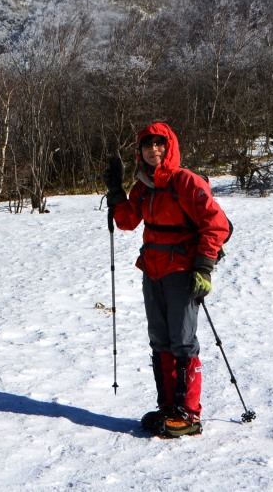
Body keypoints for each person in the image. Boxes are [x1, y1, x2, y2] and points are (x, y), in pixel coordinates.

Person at [103, 122, 231, 437]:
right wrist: (116, 190)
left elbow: (217, 224)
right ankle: (168, 408)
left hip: (182, 271)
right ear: (140, 151)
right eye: (147, 146)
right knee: (160, 341)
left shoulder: (186, 181)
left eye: (159, 144)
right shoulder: (144, 186)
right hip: (152, 269)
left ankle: (189, 413)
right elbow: (127, 221)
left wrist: (203, 266)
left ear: (169, 146)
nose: (153, 150)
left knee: (183, 342)